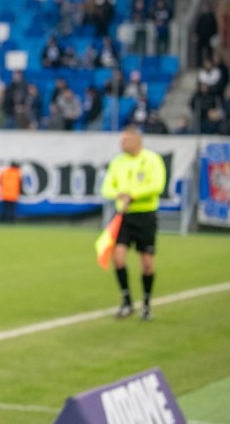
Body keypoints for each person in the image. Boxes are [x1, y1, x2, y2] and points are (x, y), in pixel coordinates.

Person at [100, 125, 167, 321]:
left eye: (125, 140)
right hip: (123, 216)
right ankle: (127, 301)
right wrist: (118, 194)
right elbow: (106, 188)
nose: (122, 143)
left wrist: (133, 195)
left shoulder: (152, 159)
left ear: (137, 141)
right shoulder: (117, 162)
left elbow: (157, 185)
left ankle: (146, 305)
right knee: (118, 258)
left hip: (145, 216)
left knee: (147, 263)